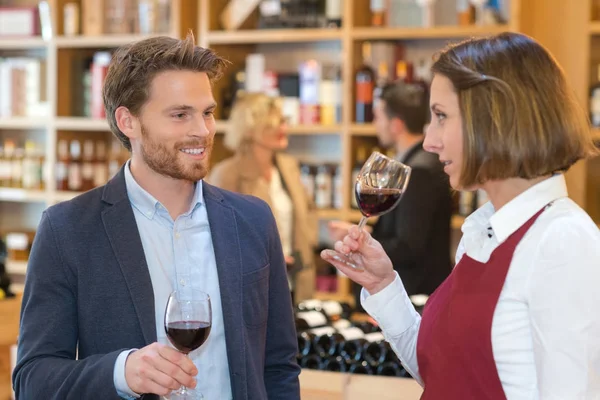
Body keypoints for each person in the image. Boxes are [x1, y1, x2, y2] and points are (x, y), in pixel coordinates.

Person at [12, 34, 300, 400]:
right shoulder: (67, 230)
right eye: (180, 115)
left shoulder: (254, 220)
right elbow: (33, 380)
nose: (202, 130)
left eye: (207, 113)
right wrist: (122, 372)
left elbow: (279, 367)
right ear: (128, 122)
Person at [322, 32, 600, 399]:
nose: (428, 141)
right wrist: (383, 285)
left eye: (441, 117)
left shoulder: (563, 241)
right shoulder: (481, 232)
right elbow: (441, 372)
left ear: (495, 117)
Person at [328, 81, 452, 302]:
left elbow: (408, 246)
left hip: (414, 295)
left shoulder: (419, 170)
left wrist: (363, 238)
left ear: (396, 125)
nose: (375, 124)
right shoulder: (414, 162)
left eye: (377, 117)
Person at [207, 92, 317, 304]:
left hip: (295, 281)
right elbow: (219, 236)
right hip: (252, 287)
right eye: (273, 124)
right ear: (249, 130)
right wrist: (266, 257)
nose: (283, 129)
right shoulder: (227, 173)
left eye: (283, 122)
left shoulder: (288, 167)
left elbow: (308, 212)